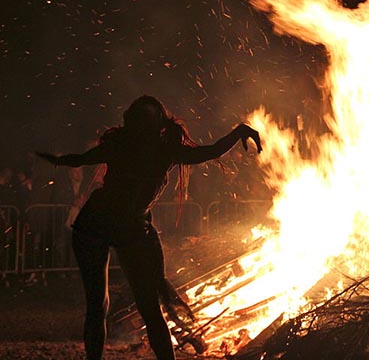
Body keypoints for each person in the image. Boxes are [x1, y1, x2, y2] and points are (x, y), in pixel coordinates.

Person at [37, 95, 262, 360]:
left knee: (138, 306)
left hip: (126, 227)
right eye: (140, 120)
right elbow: (82, 159)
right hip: (98, 225)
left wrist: (238, 132)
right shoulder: (129, 146)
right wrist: (56, 160)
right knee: (107, 305)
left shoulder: (160, 149)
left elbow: (207, 152)